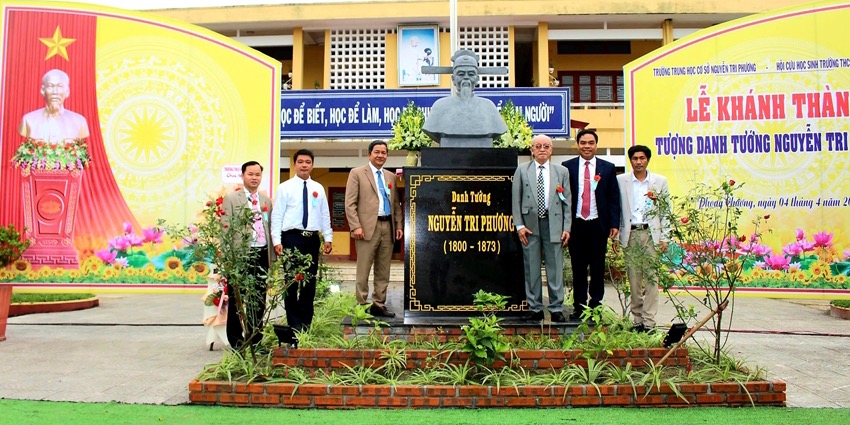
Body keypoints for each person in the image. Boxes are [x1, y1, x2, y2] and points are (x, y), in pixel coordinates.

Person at [270, 149, 333, 331]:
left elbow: (324, 214)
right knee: (291, 282)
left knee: (309, 282)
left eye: (308, 162)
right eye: (300, 162)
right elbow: (277, 215)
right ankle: (293, 322)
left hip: (312, 239)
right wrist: (277, 241)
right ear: (294, 164)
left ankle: (306, 324)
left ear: (312, 165)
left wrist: (327, 237)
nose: (304, 165)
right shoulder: (285, 187)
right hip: (291, 238)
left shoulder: (318, 188)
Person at [561, 129, 621, 320]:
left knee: (597, 268)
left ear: (596, 145)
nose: (587, 146)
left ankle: (595, 307)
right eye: (583, 142)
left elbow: (613, 198)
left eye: (591, 143)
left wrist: (614, 224)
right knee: (578, 268)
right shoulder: (567, 167)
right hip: (576, 225)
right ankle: (579, 307)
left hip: (598, 225)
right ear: (578, 145)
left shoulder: (608, 168)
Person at [512, 134, 572, 323]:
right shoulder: (522, 170)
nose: (542, 149)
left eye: (546, 146)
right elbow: (516, 199)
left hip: (553, 224)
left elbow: (567, 202)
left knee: (555, 269)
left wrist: (567, 227)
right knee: (532, 267)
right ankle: (535, 307)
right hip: (530, 226)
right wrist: (519, 225)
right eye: (538, 146)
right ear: (531, 149)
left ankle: (555, 308)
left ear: (551, 150)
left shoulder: (561, 172)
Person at [344, 140, 403, 317]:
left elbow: (396, 204)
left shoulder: (390, 176)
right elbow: (350, 203)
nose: (380, 155)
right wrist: (356, 226)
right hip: (367, 228)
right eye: (377, 152)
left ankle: (379, 304)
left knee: (383, 269)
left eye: (384, 152)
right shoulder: (357, 173)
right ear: (370, 154)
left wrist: (398, 225)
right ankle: (361, 305)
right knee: (363, 269)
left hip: (388, 226)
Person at [617, 145, 670, 332]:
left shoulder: (659, 181)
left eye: (642, 158)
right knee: (634, 280)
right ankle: (637, 320)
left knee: (651, 280)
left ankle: (649, 322)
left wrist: (665, 237)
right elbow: (617, 210)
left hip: (651, 235)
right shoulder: (621, 180)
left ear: (648, 159)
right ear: (630, 160)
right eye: (635, 158)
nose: (638, 161)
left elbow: (665, 211)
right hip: (630, 234)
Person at [221, 161, 275, 348]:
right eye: (250, 174)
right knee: (237, 299)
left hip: (261, 253)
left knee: (258, 299)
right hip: (240, 255)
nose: (254, 178)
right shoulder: (231, 198)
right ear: (243, 176)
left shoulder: (265, 200)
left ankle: (255, 339)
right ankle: (236, 340)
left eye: (257, 174)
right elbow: (225, 229)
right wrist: (229, 259)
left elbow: (270, 228)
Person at [422, 49, 507, 147]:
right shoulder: (440, 106)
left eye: (471, 74)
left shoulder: (488, 106)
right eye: (461, 74)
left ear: (477, 78)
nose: (466, 78)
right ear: (453, 79)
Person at [19, 69, 90, 143]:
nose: (55, 92)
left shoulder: (79, 122)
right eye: (50, 86)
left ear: (67, 92)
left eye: (60, 86)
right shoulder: (28, 120)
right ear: (43, 90)